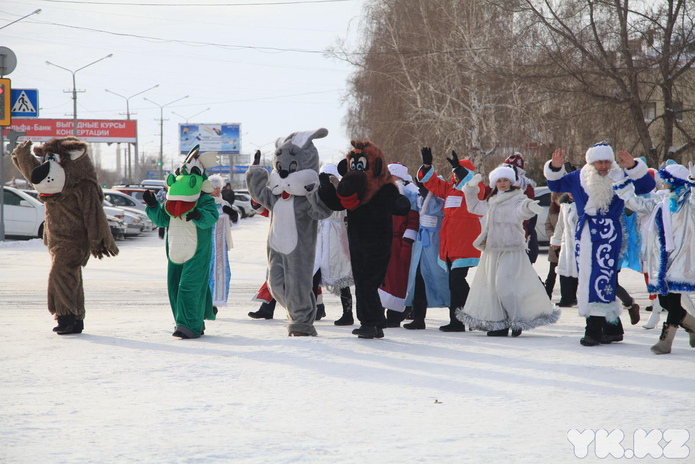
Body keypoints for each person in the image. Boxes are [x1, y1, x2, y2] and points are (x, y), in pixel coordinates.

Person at [544, 143, 655, 346]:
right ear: (591, 162)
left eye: (606, 161)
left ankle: (593, 329)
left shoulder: (620, 176)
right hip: (585, 234)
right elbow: (556, 186)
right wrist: (555, 167)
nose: (603, 166)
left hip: (610, 234)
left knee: (600, 278)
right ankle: (613, 327)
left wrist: (633, 167)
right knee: (592, 278)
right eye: (599, 162)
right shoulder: (578, 176)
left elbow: (647, 187)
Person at [456, 166, 559, 336]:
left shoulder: (517, 198)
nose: (502, 183)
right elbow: (473, 208)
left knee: (503, 285)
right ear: (494, 182)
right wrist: (470, 189)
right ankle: (501, 325)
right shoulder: (491, 200)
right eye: (499, 180)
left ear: (511, 181)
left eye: (505, 180)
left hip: (511, 249)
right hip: (492, 250)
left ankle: (516, 320)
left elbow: (521, 209)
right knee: (493, 289)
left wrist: (529, 207)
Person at [614, 163, 695, 354]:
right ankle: (692, 325)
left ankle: (666, 341)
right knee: (666, 302)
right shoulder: (661, 202)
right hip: (662, 260)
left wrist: (692, 183)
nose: (663, 185)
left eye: (667, 182)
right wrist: (620, 182)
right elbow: (636, 203)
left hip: (681, 259)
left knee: (673, 303)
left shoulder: (689, 203)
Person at [416, 148, 484, 332]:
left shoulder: (476, 187)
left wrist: (459, 169)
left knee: (457, 281)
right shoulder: (449, 190)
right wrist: (427, 165)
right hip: (449, 240)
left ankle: (472, 315)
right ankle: (460, 320)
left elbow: (474, 189)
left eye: (458, 172)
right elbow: (431, 182)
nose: (455, 176)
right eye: (454, 173)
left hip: (465, 238)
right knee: (454, 282)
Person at [403, 180, 451, 330]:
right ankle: (418, 318)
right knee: (418, 280)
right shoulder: (417, 199)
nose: (423, 189)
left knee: (442, 277)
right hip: (420, 245)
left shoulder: (441, 200)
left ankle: (457, 316)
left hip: (436, 244)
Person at [313, 164, 355, 326]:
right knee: (313, 273)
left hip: (337, 236)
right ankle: (314, 308)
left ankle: (348, 313)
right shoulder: (316, 191)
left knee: (341, 274)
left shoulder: (342, 190)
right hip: (319, 235)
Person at [381, 162, 420, 327]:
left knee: (397, 278)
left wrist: (406, 243)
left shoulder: (409, 195)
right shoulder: (381, 194)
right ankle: (379, 313)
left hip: (399, 242)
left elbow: (413, 222)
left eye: (392, 176)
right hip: (383, 241)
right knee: (381, 278)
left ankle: (394, 315)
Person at [207, 174, 238, 314]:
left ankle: (217, 300)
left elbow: (233, 223)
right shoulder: (205, 202)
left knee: (223, 272)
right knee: (208, 272)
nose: (217, 190)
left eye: (219, 187)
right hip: (207, 244)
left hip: (220, 245)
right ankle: (207, 302)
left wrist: (232, 214)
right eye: (214, 188)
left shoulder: (224, 203)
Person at [503, 152, 539, 263]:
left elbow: (529, 211)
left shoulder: (525, 186)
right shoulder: (501, 185)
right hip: (503, 231)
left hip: (521, 230)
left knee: (521, 265)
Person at [551, 193, 579, 307]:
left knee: (578, 271)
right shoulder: (564, 204)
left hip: (581, 242)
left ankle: (577, 297)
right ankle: (566, 298)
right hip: (566, 242)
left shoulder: (584, 201)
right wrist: (556, 240)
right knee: (564, 270)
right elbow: (560, 223)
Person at [544, 192, 562, 298]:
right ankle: (547, 294)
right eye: (556, 199)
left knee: (567, 274)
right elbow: (548, 225)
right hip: (554, 246)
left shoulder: (570, 208)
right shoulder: (552, 211)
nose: (558, 201)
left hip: (566, 245)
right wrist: (553, 237)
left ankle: (570, 295)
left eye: (560, 198)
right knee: (552, 272)